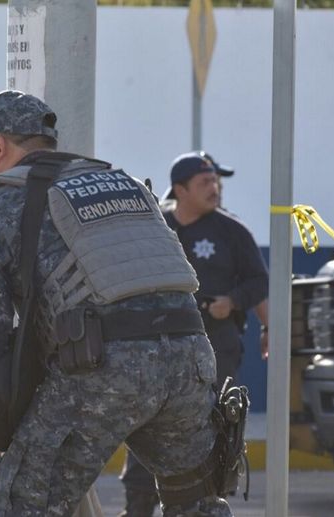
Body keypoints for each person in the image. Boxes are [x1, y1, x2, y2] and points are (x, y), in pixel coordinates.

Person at [0, 90, 233, 517]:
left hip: (102, 366)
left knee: (25, 504)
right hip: (190, 360)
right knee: (196, 501)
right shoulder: (127, 185)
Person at [119, 151, 268, 517]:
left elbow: (259, 281)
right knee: (145, 424)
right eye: (205, 183)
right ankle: (137, 507)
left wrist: (235, 303)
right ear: (180, 189)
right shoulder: (155, 226)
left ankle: (208, 506)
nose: (214, 188)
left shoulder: (231, 231)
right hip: (155, 348)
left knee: (212, 429)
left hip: (215, 343)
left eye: (215, 182)